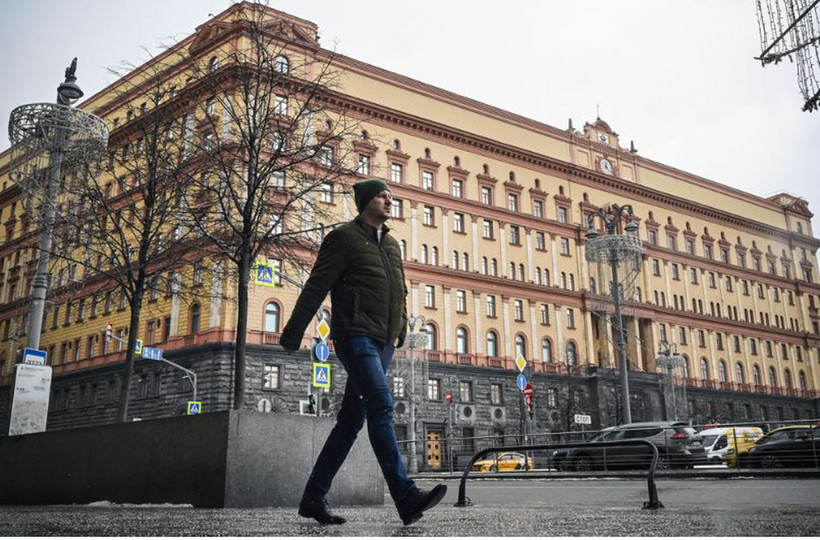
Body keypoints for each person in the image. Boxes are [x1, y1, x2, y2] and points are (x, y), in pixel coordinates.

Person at [280, 178, 447, 526]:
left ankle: (313, 497)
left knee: (350, 422)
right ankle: (406, 495)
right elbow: (317, 284)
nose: (390, 201)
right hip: (355, 336)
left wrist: (400, 328)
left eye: (391, 196)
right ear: (366, 201)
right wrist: (294, 331)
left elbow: (398, 290)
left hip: (384, 342)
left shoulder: (392, 245)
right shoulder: (343, 238)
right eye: (383, 196)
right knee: (381, 405)